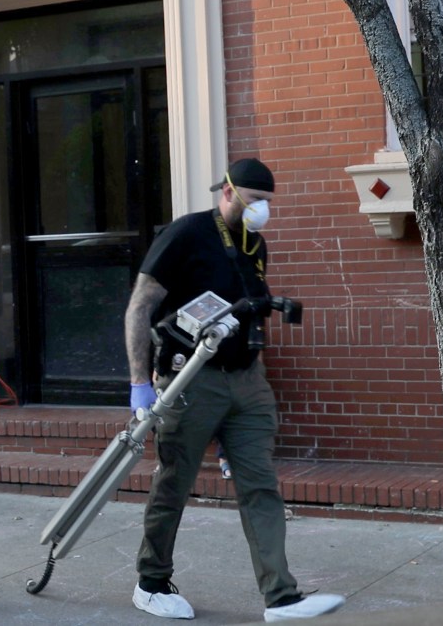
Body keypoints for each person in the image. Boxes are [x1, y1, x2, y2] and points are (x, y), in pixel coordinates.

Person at [124, 158, 345, 622]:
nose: (263, 209)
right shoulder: (186, 234)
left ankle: (281, 598)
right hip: (190, 379)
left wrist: (255, 381)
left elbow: (249, 315)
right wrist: (140, 384)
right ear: (228, 192)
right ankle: (151, 582)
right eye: (256, 199)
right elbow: (140, 306)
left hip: (246, 382)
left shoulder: (255, 244)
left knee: (261, 486)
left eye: (267, 201)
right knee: (175, 482)